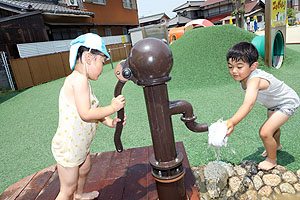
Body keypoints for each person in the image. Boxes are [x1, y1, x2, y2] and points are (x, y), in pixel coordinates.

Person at [52, 33, 126, 200]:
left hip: (80, 145)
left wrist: (111, 122)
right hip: (69, 146)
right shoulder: (78, 81)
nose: (102, 66)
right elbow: (86, 114)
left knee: (84, 169)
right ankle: (73, 194)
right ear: (89, 58)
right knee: (67, 188)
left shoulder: (83, 80)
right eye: (102, 62)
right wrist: (112, 107)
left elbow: (94, 110)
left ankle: (79, 195)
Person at [225, 42, 299, 171]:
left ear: (253, 66)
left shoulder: (254, 80)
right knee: (273, 128)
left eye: (239, 66)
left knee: (265, 132)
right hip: (274, 104)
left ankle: (272, 160)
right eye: (230, 67)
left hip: (287, 102)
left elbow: (248, 104)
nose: (234, 71)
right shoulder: (244, 77)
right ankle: (276, 145)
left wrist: (233, 121)